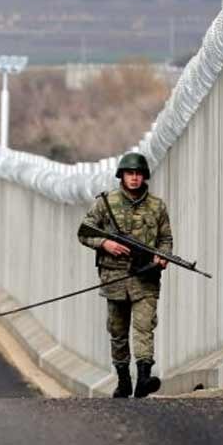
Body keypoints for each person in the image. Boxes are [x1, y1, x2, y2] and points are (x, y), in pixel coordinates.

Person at [77, 152, 172, 398]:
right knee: (118, 331)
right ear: (122, 176)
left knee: (144, 327)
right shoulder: (105, 203)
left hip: (145, 278)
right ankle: (123, 380)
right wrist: (105, 243)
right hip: (115, 278)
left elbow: (165, 238)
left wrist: (162, 256)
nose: (134, 178)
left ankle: (143, 378)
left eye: (138, 174)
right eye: (130, 174)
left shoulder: (157, 206)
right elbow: (84, 233)